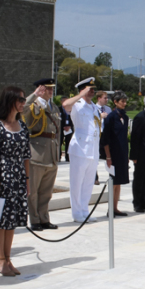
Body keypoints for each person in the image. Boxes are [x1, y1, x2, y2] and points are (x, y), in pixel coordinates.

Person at [0, 86, 31, 276]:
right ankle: (0, 259)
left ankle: (8, 257)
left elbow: (26, 155)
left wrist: (27, 180)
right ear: (10, 101)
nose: (23, 103)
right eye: (20, 100)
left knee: (11, 220)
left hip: (18, 177)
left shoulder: (23, 126)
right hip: (2, 177)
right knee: (0, 220)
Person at [62, 78, 100, 223]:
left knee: (88, 183)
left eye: (93, 89)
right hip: (80, 149)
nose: (92, 91)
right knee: (77, 183)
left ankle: (85, 210)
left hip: (93, 150)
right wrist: (80, 95)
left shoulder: (94, 107)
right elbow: (65, 105)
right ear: (82, 90)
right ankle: (77, 213)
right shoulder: (77, 105)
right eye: (89, 89)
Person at [23, 78, 59, 230]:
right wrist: (34, 95)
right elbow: (22, 109)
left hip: (51, 153)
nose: (50, 91)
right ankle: (35, 220)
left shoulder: (54, 107)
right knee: (33, 191)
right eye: (46, 89)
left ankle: (44, 218)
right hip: (37, 152)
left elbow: (56, 131)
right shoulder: (33, 105)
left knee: (46, 191)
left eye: (51, 89)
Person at [101, 90, 130, 216]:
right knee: (113, 182)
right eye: (122, 101)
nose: (124, 104)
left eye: (125, 101)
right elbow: (105, 139)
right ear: (115, 102)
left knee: (119, 182)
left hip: (122, 153)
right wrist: (108, 156)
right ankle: (110, 209)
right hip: (113, 154)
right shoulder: (111, 117)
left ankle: (115, 207)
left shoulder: (126, 117)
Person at [94, 91, 111, 185]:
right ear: (99, 98)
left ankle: (112, 175)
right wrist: (100, 117)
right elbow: (90, 120)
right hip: (97, 134)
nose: (106, 99)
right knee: (95, 156)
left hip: (106, 134)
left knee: (109, 155)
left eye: (107, 98)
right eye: (105, 98)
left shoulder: (108, 109)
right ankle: (94, 177)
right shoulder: (93, 108)